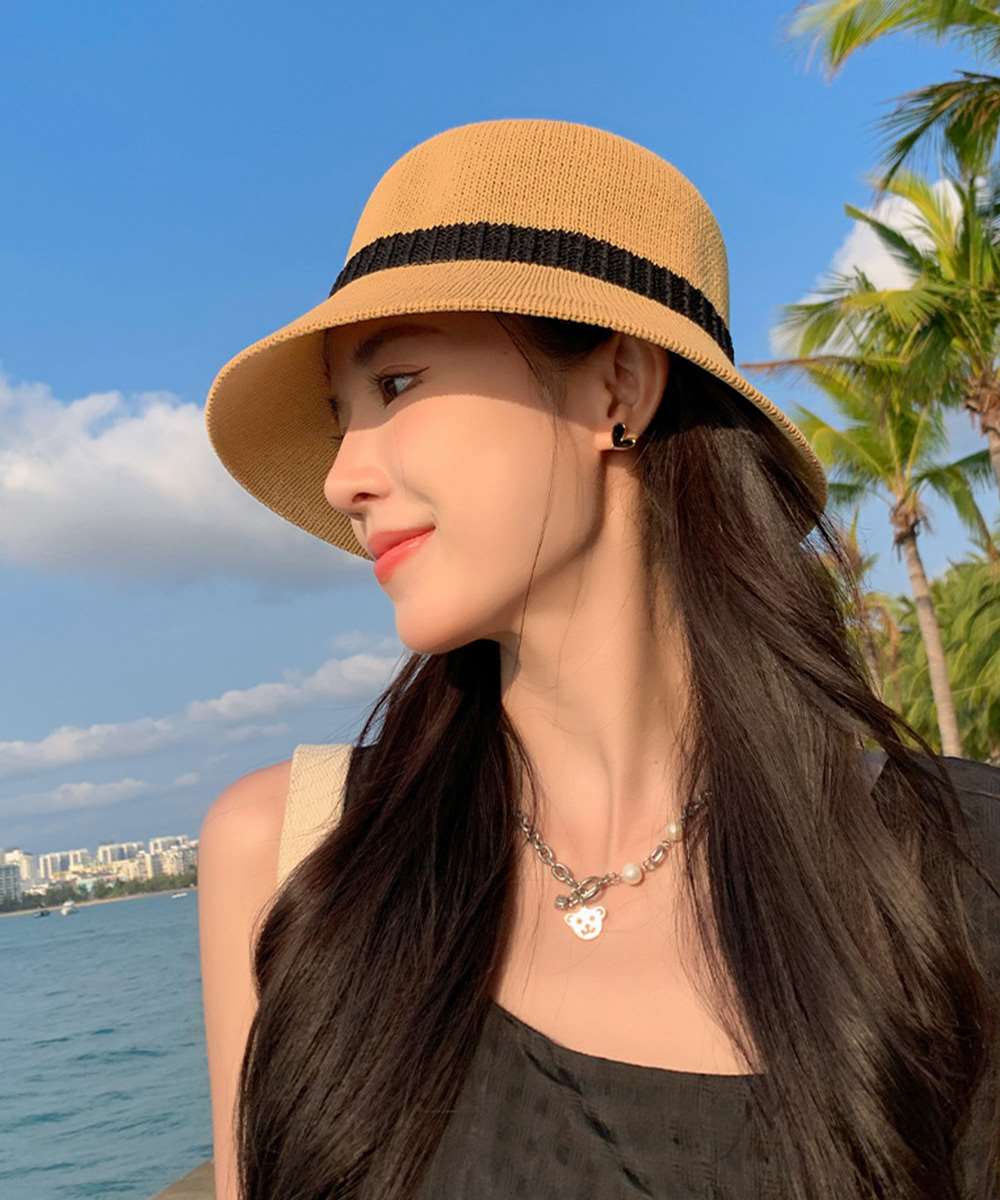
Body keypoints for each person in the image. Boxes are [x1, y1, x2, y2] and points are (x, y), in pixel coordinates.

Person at [197, 118, 1000, 1200]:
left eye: (397, 384)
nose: (344, 478)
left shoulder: (957, 872)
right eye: (340, 416)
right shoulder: (290, 855)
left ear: (617, 386)